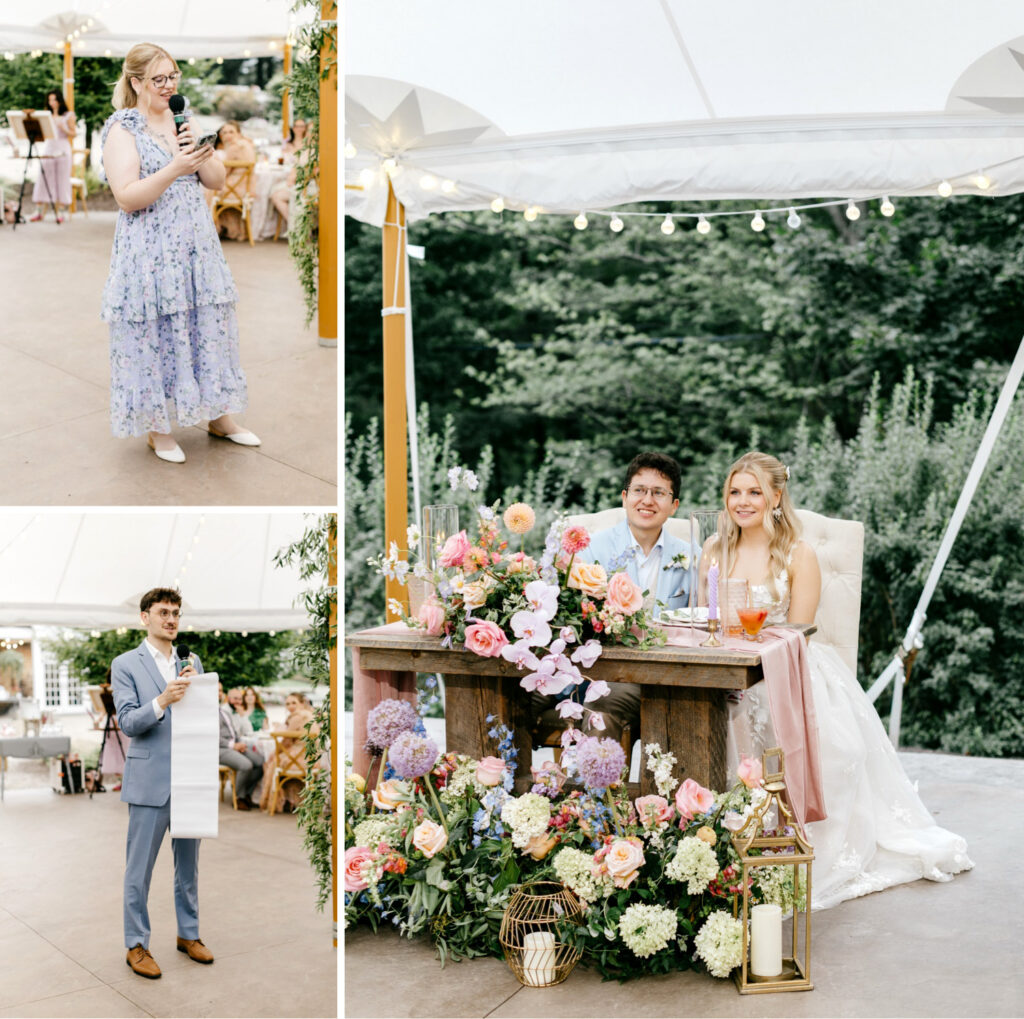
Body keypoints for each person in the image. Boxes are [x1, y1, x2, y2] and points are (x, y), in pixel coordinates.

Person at [713, 451, 973, 909]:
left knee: (833, 747)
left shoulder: (798, 554)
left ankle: (798, 839)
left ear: (776, 496)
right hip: (729, 669)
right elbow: (710, 621)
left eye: (754, 491)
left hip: (788, 667)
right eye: (735, 491)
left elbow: (797, 635)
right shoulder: (716, 551)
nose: (743, 500)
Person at [100, 43, 260, 464]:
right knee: (155, 335)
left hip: (195, 247)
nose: (169, 85)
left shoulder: (182, 120)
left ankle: (219, 417)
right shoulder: (123, 129)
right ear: (136, 83)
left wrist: (194, 150)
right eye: (159, 79)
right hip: (150, 250)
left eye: (172, 76)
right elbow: (127, 197)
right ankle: (158, 429)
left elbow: (215, 179)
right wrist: (175, 166)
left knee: (207, 326)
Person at [532, 451, 695, 744]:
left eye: (659, 493)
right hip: (591, 667)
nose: (647, 500)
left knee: (601, 711)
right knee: (508, 691)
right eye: (639, 490)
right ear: (624, 497)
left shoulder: (691, 556)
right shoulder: (591, 550)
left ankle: (593, 790)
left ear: (674, 505)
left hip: (653, 676)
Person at [111, 587, 214, 979]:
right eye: (163, 612)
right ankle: (136, 944)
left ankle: (188, 935)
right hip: (150, 780)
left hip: (190, 780)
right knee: (139, 870)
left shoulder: (193, 660)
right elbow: (128, 722)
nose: (171, 619)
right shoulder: (125, 664)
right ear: (145, 618)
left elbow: (203, 716)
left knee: (189, 867)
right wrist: (163, 700)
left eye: (176, 613)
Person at [259, 692, 316, 813]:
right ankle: (293, 801)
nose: (290, 706)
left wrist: (274, 754)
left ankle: (275, 801)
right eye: (287, 704)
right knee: (280, 759)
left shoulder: (298, 716)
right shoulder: (310, 715)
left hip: (302, 758)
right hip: (312, 758)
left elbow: (286, 741)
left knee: (272, 763)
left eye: (294, 703)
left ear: (301, 703)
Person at [30, 89, 76, 222]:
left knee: (62, 179)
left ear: (59, 100)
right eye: (50, 100)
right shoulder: (46, 115)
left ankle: (60, 212)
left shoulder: (68, 115)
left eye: (54, 100)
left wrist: (64, 128)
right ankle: (38, 210)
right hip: (49, 148)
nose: (52, 103)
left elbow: (73, 134)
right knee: (43, 177)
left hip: (63, 148)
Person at [219, 686, 264, 810]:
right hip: (220, 749)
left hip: (235, 745)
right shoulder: (218, 711)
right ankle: (239, 797)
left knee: (260, 762)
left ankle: (247, 794)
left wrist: (240, 744)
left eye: (240, 699)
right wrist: (233, 745)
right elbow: (213, 736)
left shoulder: (226, 713)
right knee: (246, 765)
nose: (238, 701)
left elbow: (236, 733)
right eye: (235, 699)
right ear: (228, 698)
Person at [210, 121, 256, 241]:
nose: (228, 135)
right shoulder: (247, 144)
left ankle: (212, 229)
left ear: (239, 133)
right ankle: (233, 230)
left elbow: (224, 172)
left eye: (231, 132)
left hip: (236, 189)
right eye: (224, 133)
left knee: (209, 189)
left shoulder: (234, 147)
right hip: (248, 187)